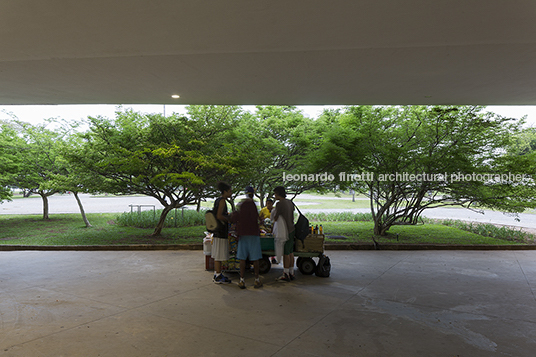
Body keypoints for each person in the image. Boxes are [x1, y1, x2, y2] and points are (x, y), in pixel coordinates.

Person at [230, 186, 263, 289]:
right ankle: (256, 280)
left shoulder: (241, 204)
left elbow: (235, 217)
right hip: (253, 234)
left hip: (243, 235)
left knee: (242, 259)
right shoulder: (254, 204)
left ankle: (242, 280)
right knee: (255, 259)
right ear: (253, 194)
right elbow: (257, 219)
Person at [272, 186, 295, 282]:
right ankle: (291, 272)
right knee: (290, 252)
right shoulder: (290, 202)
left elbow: (275, 218)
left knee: (285, 253)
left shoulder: (279, 204)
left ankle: (285, 274)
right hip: (292, 229)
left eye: (275, 194)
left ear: (278, 193)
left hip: (284, 231)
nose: (274, 196)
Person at [211, 181, 232, 284]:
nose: (231, 193)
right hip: (221, 231)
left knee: (217, 254)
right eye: (229, 191)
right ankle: (218, 276)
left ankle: (217, 273)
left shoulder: (217, 200)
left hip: (217, 231)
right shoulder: (222, 201)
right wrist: (228, 219)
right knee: (219, 254)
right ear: (225, 191)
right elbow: (219, 216)